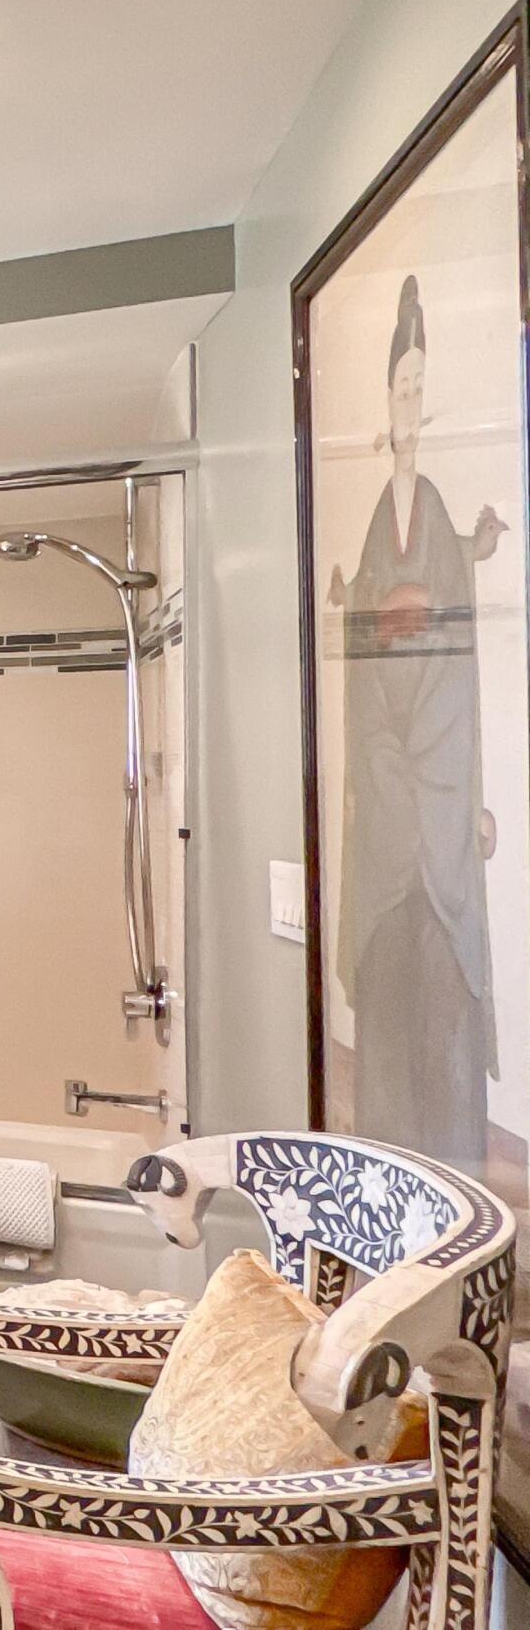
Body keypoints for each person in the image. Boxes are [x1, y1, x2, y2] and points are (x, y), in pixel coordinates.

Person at [335, 273, 507, 1171]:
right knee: (392, 991)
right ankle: (388, 1158)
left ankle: (455, 1170)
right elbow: (367, 627)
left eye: (418, 387)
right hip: (393, 771)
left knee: (442, 988)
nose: (410, 402)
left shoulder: (432, 504)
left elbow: (447, 608)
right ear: (385, 400)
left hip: (439, 785)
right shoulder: (377, 515)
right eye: (400, 387)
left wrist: (469, 556)